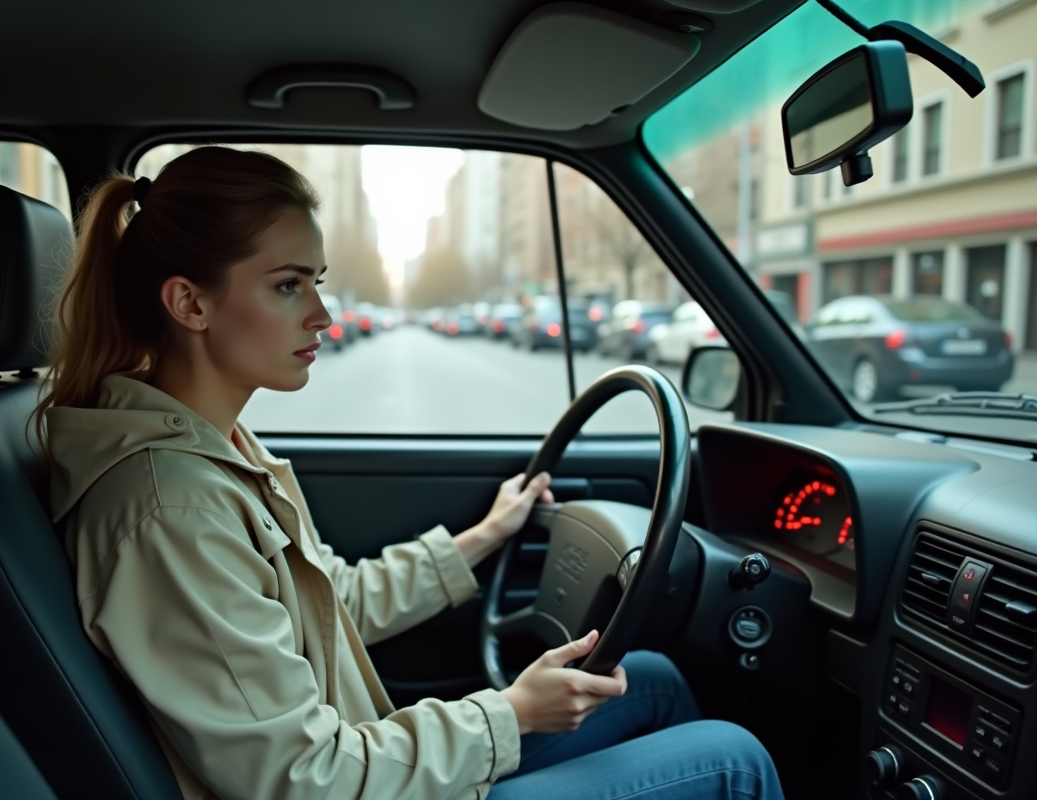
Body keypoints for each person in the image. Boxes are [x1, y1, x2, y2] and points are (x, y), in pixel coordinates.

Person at [38, 146, 783, 800]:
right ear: (189, 303)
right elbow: (297, 776)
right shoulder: (172, 506)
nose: (324, 314)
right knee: (735, 761)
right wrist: (512, 713)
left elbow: (329, 604)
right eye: (288, 285)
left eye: (317, 281)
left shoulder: (215, 446)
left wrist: (484, 537)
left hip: (360, 768)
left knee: (649, 681)